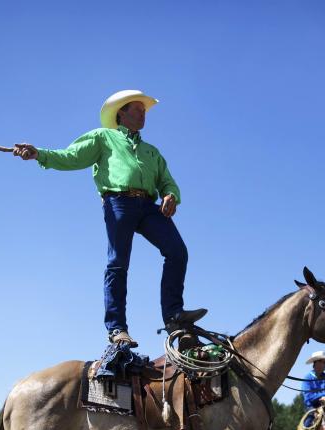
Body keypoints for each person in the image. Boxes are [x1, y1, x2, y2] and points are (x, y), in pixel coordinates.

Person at [13, 89, 206, 348]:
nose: (142, 114)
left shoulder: (151, 152)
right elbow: (71, 157)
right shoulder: (104, 137)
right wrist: (40, 153)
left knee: (177, 251)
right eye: (137, 110)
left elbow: (167, 181)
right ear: (121, 114)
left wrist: (171, 195)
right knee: (118, 262)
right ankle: (117, 328)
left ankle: (173, 315)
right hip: (119, 202)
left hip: (148, 206)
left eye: (144, 111)